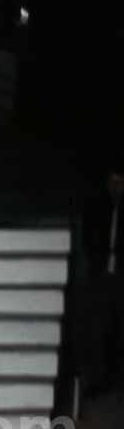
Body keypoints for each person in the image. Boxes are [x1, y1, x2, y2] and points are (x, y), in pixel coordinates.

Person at [81, 166, 124, 394]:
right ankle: (98, 380)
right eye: (112, 182)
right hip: (101, 273)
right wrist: (97, 257)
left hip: (120, 273)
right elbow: (87, 235)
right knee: (99, 327)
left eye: (119, 183)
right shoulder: (98, 206)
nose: (115, 188)